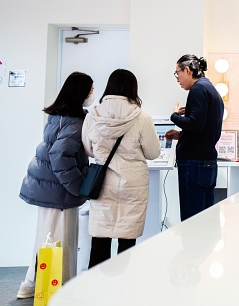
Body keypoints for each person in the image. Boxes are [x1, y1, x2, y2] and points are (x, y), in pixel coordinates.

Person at [17, 72, 94, 298]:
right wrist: (79, 187)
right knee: (62, 242)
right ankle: (62, 290)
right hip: (59, 192)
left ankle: (31, 285)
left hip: (47, 188)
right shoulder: (75, 123)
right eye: (90, 90)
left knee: (46, 239)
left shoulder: (58, 116)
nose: (92, 94)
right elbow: (60, 157)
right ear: (80, 92)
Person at [82, 69, 160, 268]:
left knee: (100, 237)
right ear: (133, 89)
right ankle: (124, 290)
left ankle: (96, 291)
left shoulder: (92, 116)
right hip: (132, 186)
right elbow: (152, 153)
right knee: (127, 240)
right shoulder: (142, 118)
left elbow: (88, 149)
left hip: (102, 184)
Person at [165, 55, 224, 221]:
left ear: (188, 70)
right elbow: (203, 128)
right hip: (207, 163)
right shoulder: (211, 89)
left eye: (178, 74)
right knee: (205, 221)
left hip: (194, 165)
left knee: (191, 222)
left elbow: (195, 124)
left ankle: (191, 248)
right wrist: (181, 135)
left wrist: (174, 116)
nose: (178, 79)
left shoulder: (198, 89)